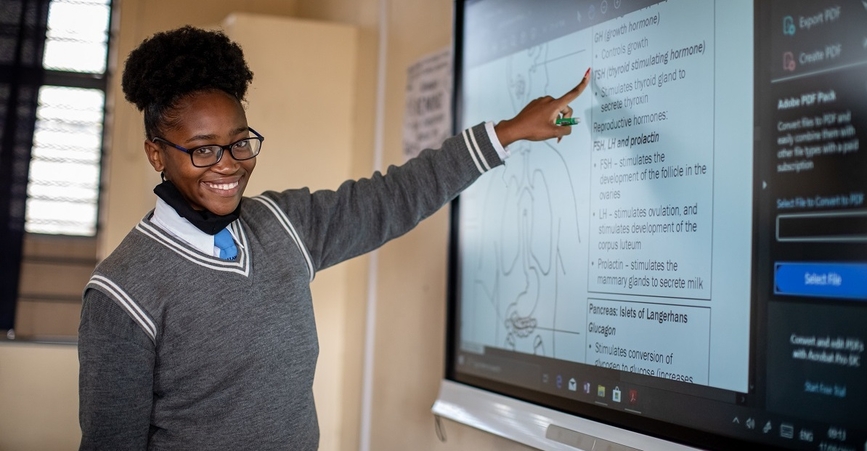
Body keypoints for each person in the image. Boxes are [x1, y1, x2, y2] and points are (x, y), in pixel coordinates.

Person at [77, 25, 589, 450]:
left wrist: (507, 133)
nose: (228, 164)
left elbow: (393, 197)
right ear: (155, 153)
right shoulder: (123, 291)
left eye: (240, 142)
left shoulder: (284, 224)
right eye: (203, 149)